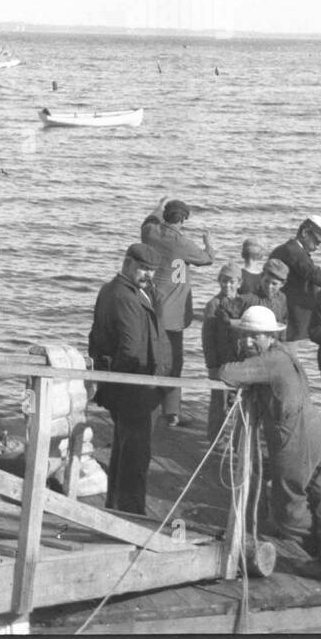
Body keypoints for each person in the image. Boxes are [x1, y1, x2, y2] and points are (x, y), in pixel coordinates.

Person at [219, 305, 321, 584]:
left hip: (296, 439)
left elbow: (227, 373)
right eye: (244, 336)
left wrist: (243, 366)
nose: (247, 342)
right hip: (318, 431)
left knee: (286, 512)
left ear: (269, 336)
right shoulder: (283, 353)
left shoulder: (270, 361)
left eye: (254, 337)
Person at [88, 242, 169, 515]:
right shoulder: (125, 297)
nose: (148, 275)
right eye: (143, 268)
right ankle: (132, 516)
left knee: (124, 451)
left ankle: (115, 507)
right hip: (135, 389)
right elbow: (132, 349)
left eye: (152, 270)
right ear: (127, 263)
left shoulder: (119, 290)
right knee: (135, 457)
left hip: (129, 389)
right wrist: (129, 384)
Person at [142, 198, 214, 427]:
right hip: (173, 314)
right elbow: (207, 259)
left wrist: (159, 204)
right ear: (182, 220)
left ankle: (149, 405)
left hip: (151, 306)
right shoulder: (182, 243)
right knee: (174, 361)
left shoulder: (150, 233)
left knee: (151, 358)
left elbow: (149, 219)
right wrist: (208, 242)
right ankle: (171, 412)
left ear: (165, 216)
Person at [269, 216, 321, 343]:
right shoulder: (294, 252)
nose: (318, 246)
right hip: (292, 318)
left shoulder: (289, 250)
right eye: (317, 241)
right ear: (304, 233)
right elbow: (313, 274)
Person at [200, 262, 243, 439]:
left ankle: (237, 438)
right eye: (224, 281)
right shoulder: (213, 305)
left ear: (239, 283)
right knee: (219, 403)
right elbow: (207, 339)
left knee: (239, 402)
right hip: (220, 361)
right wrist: (212, 365)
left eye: (232, 282)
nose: (228, 285)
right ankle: (215, 438)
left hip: (239, 361)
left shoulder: (244, 303)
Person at [231, 256, 289, 326]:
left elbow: (283, 323)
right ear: (261, 276)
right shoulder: (248, 299)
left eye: (274, 284)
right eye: (266, 281)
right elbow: (227, 318)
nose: (269, 286)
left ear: (282, 284)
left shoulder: (281, 298)